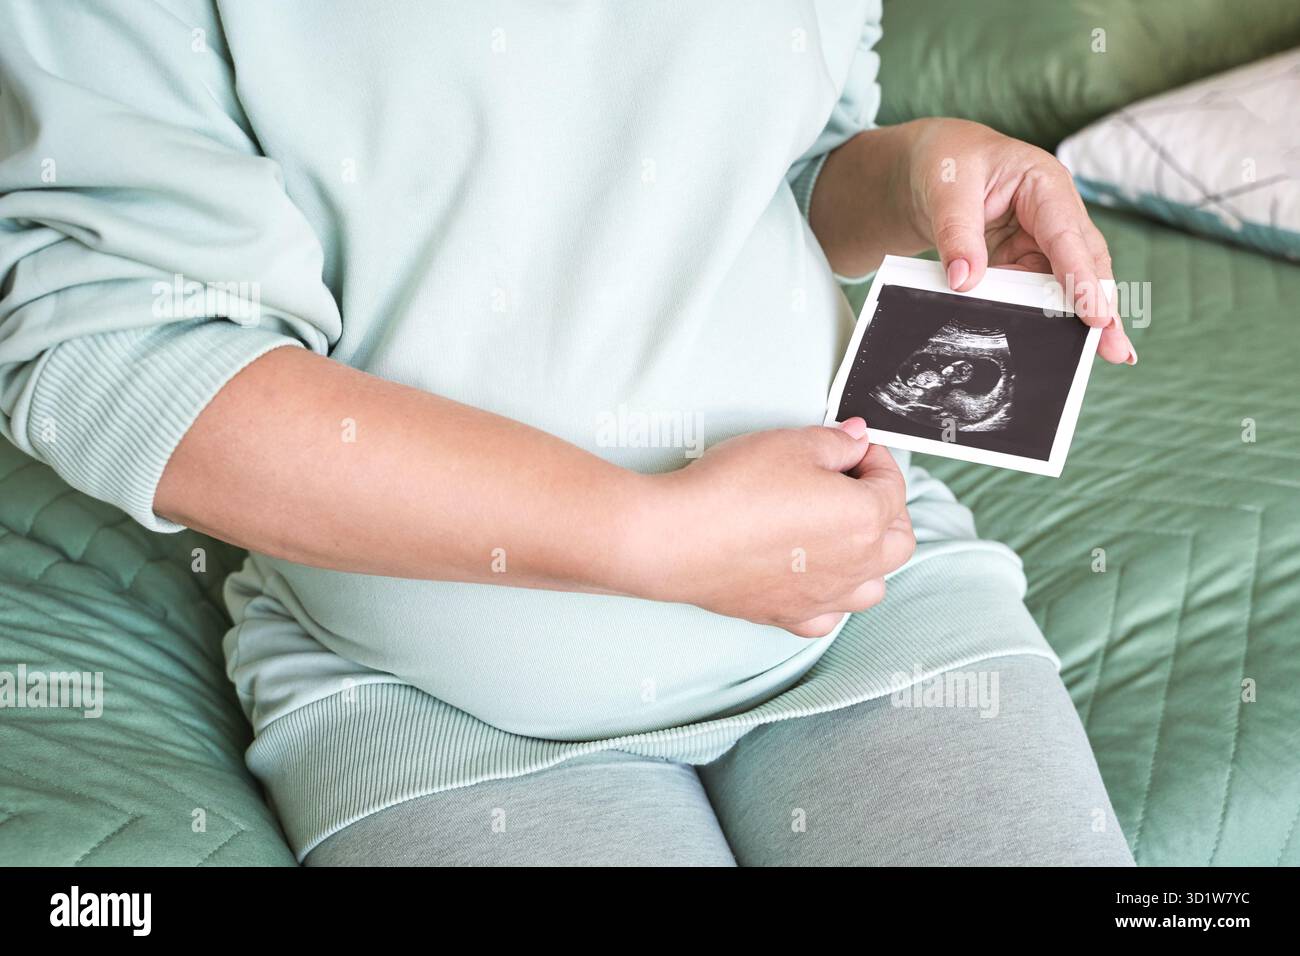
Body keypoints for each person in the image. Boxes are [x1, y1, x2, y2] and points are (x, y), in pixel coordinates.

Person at [0, 0, 1137, 865]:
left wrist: (917, 173)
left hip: (868, 585)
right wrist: (647, 539)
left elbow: (785, 167)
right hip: (431, 693)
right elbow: (122, 354)